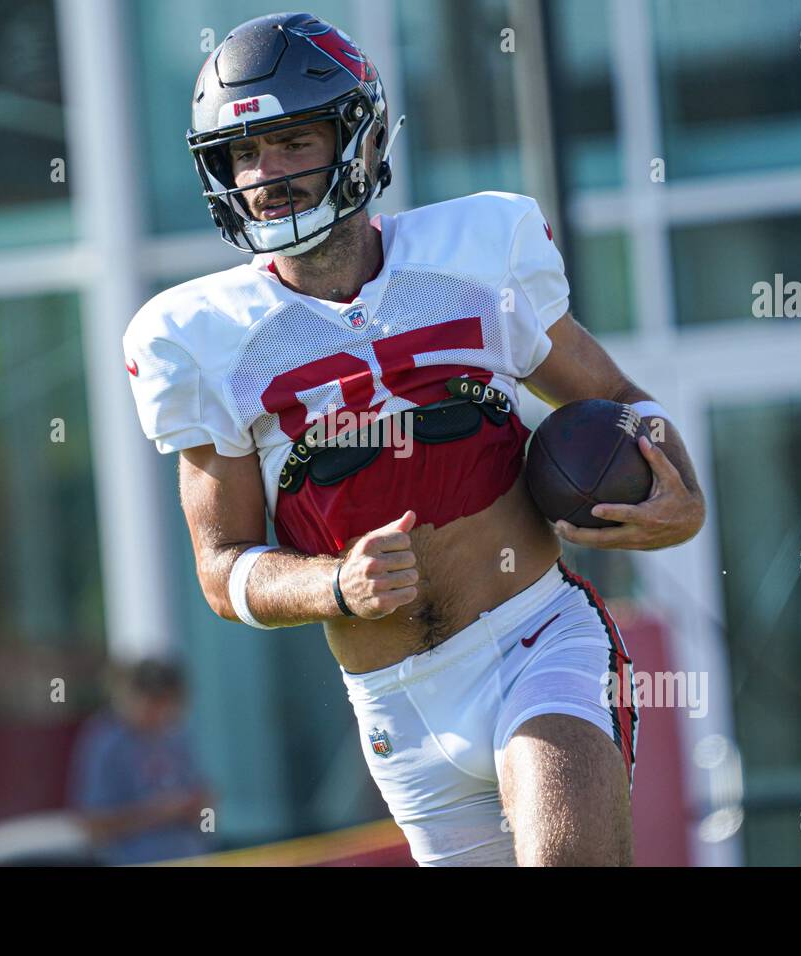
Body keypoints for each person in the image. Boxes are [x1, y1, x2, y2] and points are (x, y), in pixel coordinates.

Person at [122, 12, 705, 866]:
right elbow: (222, 568)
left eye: (289, 141)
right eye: (243, 155)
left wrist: (676, 492)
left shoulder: (475, 256)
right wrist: (334, 585)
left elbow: (617, 398)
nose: (265, 176)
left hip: (534, 642)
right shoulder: (199, 338)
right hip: (396, 705)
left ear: (356, 139)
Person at [68, 659, 211, 864]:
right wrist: (158, 812)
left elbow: (202, 804)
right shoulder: (105, 743)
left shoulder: (176, 736)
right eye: (154, 703)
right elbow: (92, 826)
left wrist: (200, 807)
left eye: (168, 704)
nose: (162, 714)